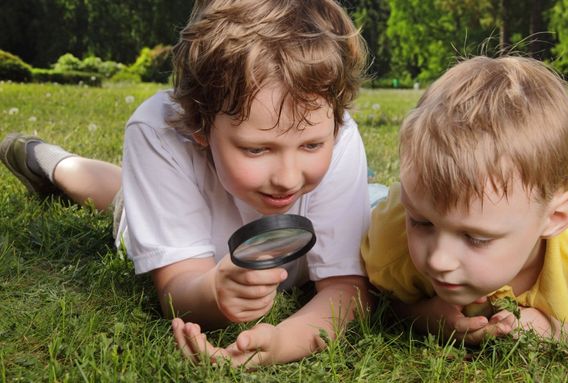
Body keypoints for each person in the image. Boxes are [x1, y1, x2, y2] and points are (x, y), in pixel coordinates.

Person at [1, 0, 371, 366]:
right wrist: (213, 293)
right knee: (121, 202)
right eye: (256, 149)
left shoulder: (339, 134)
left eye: (311, 145)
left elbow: (348, 290)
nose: (288, 178)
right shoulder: (158, 132)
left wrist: (283, 342)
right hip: (163, 212)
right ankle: (53, 162)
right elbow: (177, 286)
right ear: (199, 124)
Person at [361, 56, 568, 344]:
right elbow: (372, 299)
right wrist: (424, 318)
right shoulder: (392, 240)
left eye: (477, 238)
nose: (439, 259)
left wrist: (560, 329)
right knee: (367, 199)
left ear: (555, 218)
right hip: (379, 203)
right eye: (422, 222)